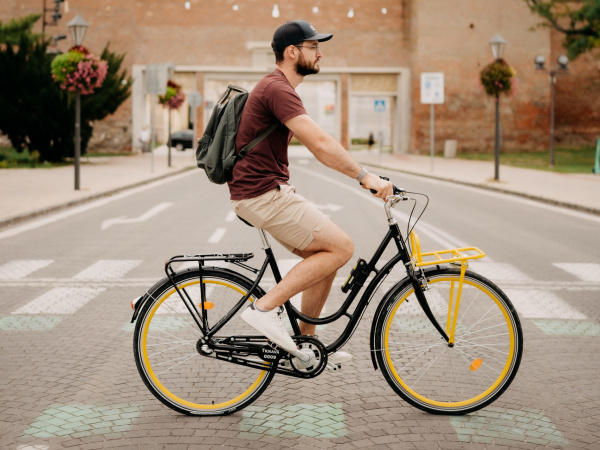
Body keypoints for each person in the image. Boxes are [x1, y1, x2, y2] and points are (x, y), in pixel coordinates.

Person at [228, 20, 393, 364]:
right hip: (261, 193)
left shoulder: (279, 87)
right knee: (342, 246)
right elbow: (319, 143)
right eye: (313, 46)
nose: (320, 52)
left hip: (262, 191)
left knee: (326, 255)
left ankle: (306, 345)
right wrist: (365, 177)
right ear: (292, 52)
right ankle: (263, 309)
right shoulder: (277, 88)